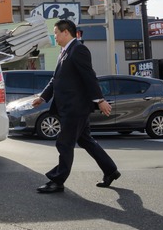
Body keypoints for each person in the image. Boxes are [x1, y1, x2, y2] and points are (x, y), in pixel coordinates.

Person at [33, 19, 121, 193]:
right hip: (69, 107)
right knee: (86, 141)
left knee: (64, 143)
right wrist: (43, 97)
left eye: (56, 33)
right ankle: (110, 170)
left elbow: (89, 76)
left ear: (66, 32)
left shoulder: (78, 49)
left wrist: (100, 100)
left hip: (75, 107)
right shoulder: (64, 52)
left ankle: (57, 180)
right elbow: (56, 79)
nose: (55, 36)